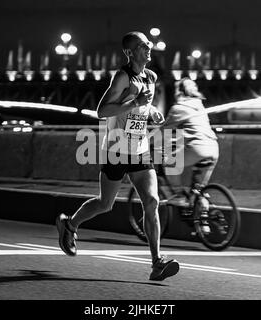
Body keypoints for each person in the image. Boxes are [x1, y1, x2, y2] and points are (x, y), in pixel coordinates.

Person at [56, 31, 180, 281]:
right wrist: (135, 104)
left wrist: (152, 111)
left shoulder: (152, 77)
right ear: (130, 52)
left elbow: (143, 105)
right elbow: (102, 111)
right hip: (116, 149)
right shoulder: (123, 77)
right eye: (143, 46)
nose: (148, 49)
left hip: (140, 149)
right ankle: (69, 224)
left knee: (152, 201)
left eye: (149, 45)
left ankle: (157, 263)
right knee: (106, 203)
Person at [160, 77, 219, 208]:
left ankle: (179, 196)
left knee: (170, 162)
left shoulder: (178, 108)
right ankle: (203, 224)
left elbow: (163, 131)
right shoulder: (200, 106)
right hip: (213, 148)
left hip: (198, 148)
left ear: (178, 92)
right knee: (197, 192)